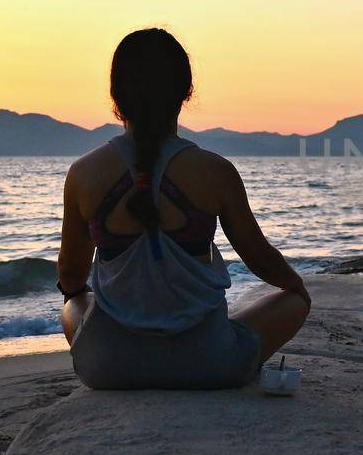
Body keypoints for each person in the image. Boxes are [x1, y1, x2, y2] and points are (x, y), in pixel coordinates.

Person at [56, 28, 311, 389]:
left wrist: (79, 293)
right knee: (295, 301)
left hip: (109, 367)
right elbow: (262, 260)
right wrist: (298, 287)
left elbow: (70, 275)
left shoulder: (84, 173)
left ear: (116, 96)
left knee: (74, 302)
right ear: (186, 93)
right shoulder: (214, 171)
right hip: (208, 365)